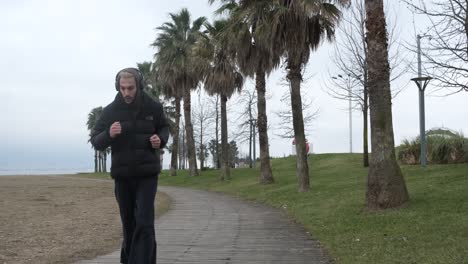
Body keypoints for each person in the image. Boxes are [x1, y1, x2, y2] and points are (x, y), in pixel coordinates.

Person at [91, 67, 170, 264]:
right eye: (122, 88)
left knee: (144, 222)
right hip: (122, 176)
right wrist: (109, 133)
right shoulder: (110, 111)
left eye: (130, 88)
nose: (126, 92)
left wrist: (160, 139)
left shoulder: (153, 107)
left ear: (139, 86)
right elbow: (96, 141)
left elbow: (164, 127)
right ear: (118, 87)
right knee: (129, 225)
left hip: (147, 175)